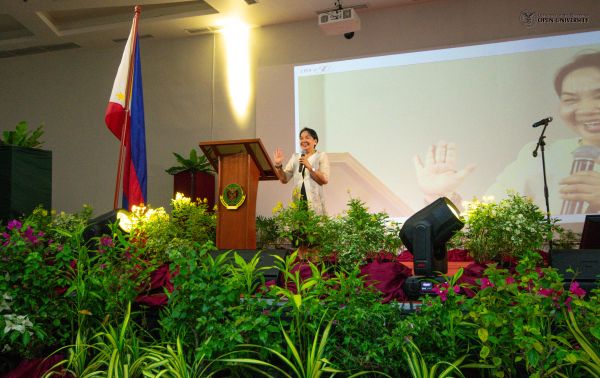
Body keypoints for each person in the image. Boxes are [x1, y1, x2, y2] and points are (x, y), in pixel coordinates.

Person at [414, 51, 600, 215]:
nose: (586, 109)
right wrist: (440, 196)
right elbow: (488, 218)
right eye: (570, 100)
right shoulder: (540, 156)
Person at [273, 127, 330, 215]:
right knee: (297, 227)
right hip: (298, 202)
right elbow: (284, 179)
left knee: (315, 228)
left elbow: (324, 179)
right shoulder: (295, 157)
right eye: (301, 138)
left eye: (307, 137)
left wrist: (310, 168)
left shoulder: (321, 156)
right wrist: (278, 165)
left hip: (314, 203)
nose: (303, 140)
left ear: (315, 141)